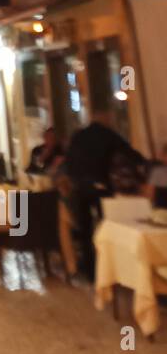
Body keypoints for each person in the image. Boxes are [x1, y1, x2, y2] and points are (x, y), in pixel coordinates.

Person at [61, 113, 146, 281]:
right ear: (105, 119)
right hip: (100, 185)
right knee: (107, 226)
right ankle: (110, 269)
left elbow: (69, 160)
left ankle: (92, 272)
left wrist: (72, 180)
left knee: (86, 229)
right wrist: (144, 162)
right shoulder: (107, 134)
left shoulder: (79, 136)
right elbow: (127, 150)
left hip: (80, 187)